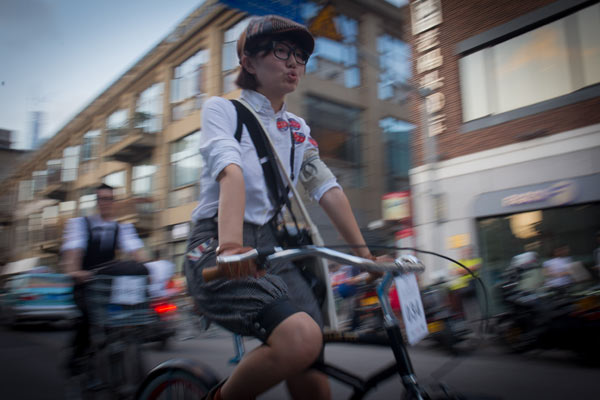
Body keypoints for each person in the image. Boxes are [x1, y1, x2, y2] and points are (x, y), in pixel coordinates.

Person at [184, 15, 387, 400]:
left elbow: (325, 186)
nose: (294, 62)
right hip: (215, 247)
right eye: (281, 51)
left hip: (270, 248)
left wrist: (366, 259)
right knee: (299, 336)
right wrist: (229, 246)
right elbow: (231, 172)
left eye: (300, 55)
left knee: (310, 350)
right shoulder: (222, 110)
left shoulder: (296, 129)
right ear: (248, 61)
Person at [61, 183, 148, 375]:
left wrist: (145, 266)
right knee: (87, 320)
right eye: (102, 199)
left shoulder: (122, 228)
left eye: (110, 199)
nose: (106, 203)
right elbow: (73, 255)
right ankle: (77, 358)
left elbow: (137, 253)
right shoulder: (80, 225)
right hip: (86, 286)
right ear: (97, 202)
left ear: (114, 202)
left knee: (125, 319)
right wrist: (76, 271)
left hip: (109, 287)